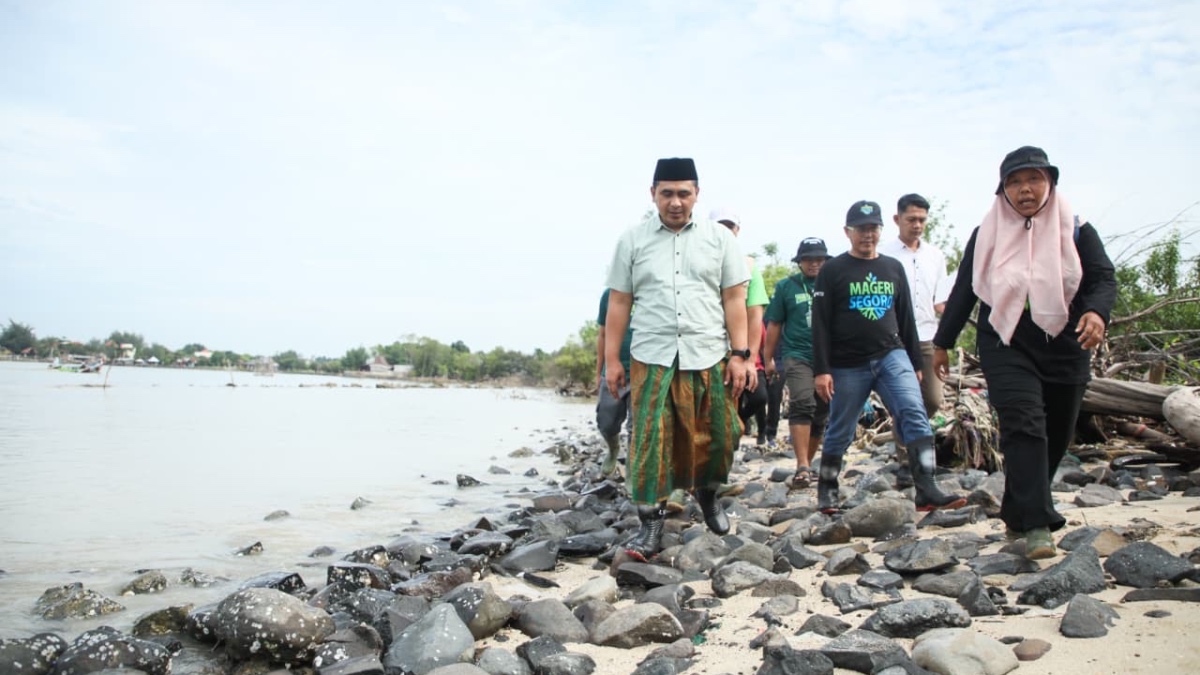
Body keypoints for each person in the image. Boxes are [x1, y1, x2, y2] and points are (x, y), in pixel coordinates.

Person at [932, 146, 1115, 560]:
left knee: (1057, 433)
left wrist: (1096, 313)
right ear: (1003, 190)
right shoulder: (987, 232)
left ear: (1050, 183)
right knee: (1023, 423)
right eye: (1014, 182)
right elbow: (964, 290)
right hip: (1005, 338)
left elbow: (1103, 277)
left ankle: (1018, 510)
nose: (1025, 189)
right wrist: (943, 342)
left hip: (1066, 340)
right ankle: (1037, 526)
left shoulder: (1077, 228)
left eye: (1034, 179)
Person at [605, 157, 754, 558]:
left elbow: (734, 298)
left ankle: (708, 494)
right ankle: (650, 522)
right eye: (667, 193)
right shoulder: (632, 240)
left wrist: (741, 355)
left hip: (709, 353)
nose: (675, 202)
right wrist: (611, 361)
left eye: (683, 193)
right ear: (652, 193)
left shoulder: (720, 239)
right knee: (650, 439)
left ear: (697, 194)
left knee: (721, 433)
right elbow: (619, 302)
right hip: (651, 354)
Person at [813, 200, 966, 514]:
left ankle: (926, 488)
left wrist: (915, 361)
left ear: (881, 230)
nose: (867, 235)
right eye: (860, 229)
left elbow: (905, 317)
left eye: (873, 228)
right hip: (847, 363)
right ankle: (827, 489)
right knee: (841, 427)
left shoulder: (892, 268)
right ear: (847, 232)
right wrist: (822, 369)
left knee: (914, 410)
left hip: (891, 355)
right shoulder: (832, 270)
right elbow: (821, 324)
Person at [764, 237, 833, 488]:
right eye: (808, 259)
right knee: (802, 401)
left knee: (821, 411)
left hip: (828, 356)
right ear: (800, 261)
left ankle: (807, 465)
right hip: (797, 354)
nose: (814, 264)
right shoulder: (786, 287)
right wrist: (768, 358)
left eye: (819, 259)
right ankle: (802, 464)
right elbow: (774, 323)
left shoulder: (834, 283)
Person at [879, 193, 949, 419]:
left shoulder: (936, 256)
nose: (917, 225)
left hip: (927, 336)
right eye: (911, 219)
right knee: (903, 400)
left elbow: (940, 301)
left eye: (922, 220)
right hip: (894, 338)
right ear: (897, 219)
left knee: (932, 400)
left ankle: (909, 435)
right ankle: (908, 442)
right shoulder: (882, 254)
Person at [710, 208, 771, 446]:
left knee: (757, 396)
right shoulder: (699, 261)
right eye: (720, 226)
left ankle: (737, 427)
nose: (725, 231)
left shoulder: (748, 266)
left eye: (730, 226)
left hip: (739, 349)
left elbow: (755, 314)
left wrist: (750, 359)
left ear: (737, 230)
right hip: (708, 348)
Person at [595, 288, 633, 476]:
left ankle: (633, 472)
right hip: (613, 370)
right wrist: (599, 372)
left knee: (638, 427)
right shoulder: (609, 295)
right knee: (606, 422)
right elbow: (603, 335)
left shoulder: (652, 292)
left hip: (643, 369)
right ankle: (613, 449)